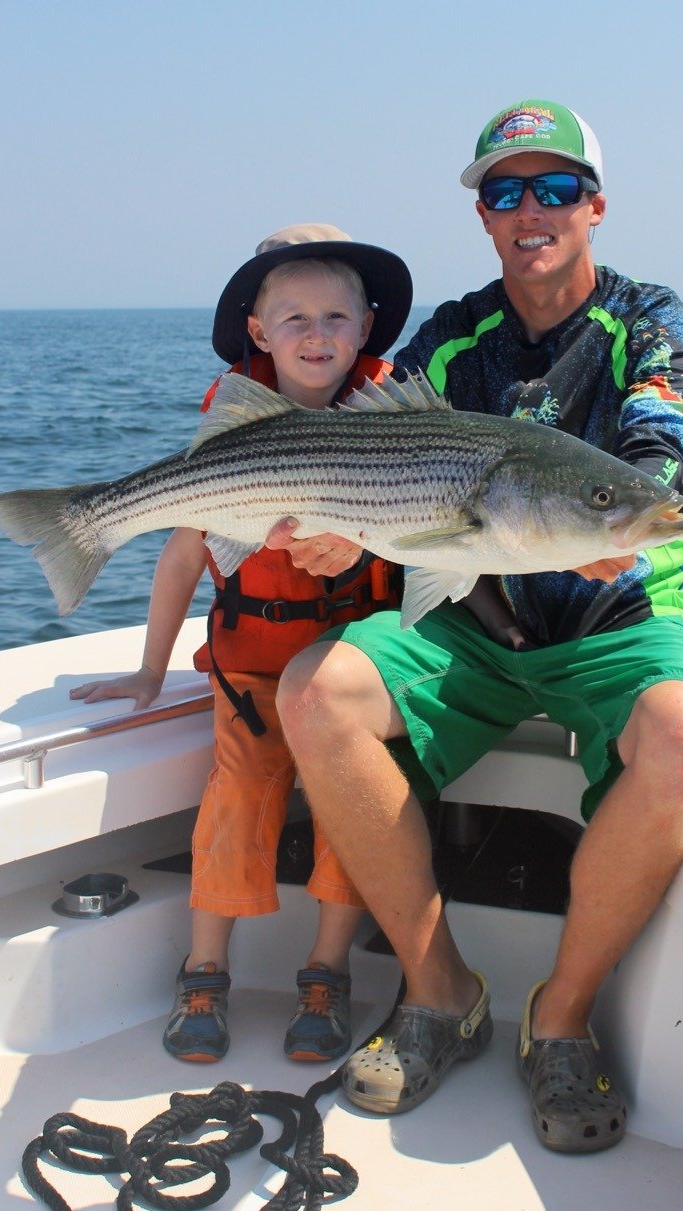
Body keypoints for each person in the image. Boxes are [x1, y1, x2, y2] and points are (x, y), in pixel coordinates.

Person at [272, 100, 683, 1153]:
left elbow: (658, 446)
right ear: (482, 215)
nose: (530, 210)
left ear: (594, 204)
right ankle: (440, 991)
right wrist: (346, 529)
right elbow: (369, 453)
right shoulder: (452, 335)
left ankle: (560, 1015)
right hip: (471, 624)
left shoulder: (649, 322)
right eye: (504, 191)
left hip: (612, 613)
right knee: (316, 691)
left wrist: (624, 508)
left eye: (554, 187)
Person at [70, 224, 412, 1065]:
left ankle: (325, 973)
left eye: (336, 315)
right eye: (292, 315)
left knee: (352, 813)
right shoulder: (234, 416)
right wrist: (151, 671)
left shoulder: (398, 407)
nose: (317, 332)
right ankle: (204, 972)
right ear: (259, 331)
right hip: (252, 665)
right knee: (235, 803)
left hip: (349, 670)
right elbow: (187, 549)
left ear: (365, 326)